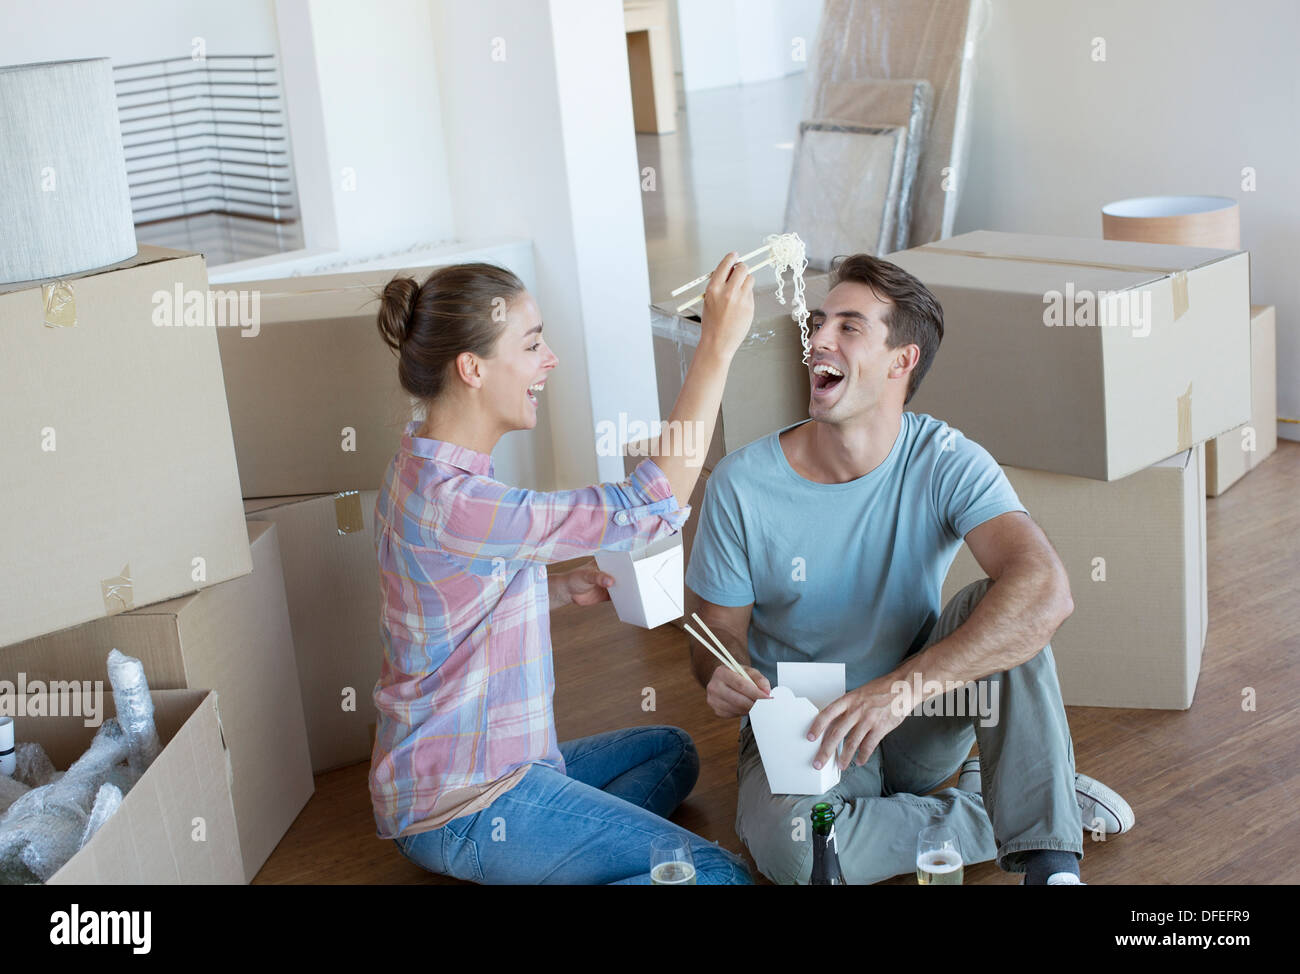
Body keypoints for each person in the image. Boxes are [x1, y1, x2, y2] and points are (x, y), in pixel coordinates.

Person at [684, 253, 1135, 886]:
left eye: (849, 326)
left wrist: (898, 692)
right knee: (799, 856)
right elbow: (713, 634)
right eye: (818, 323)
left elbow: (1047, 592)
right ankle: (1017, 803)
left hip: (918, 714)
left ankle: (1050, 868)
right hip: (805, 728)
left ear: (902, 361)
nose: (817, 340)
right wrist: (725, 669)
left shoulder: (947, 458)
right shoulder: (741, 483)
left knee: (1007, 602)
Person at [368, 253, 757, 884]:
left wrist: (547, 587)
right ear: (472, 368)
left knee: (672, 754)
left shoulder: (422, 466)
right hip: (469, 803)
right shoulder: (457, 503)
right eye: (531, 344)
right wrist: (714, 345)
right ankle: (530, 853)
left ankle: (545, 858)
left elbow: (442, 598)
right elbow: (649, 507)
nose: (549, 360)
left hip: (475, 772)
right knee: (716, 875)